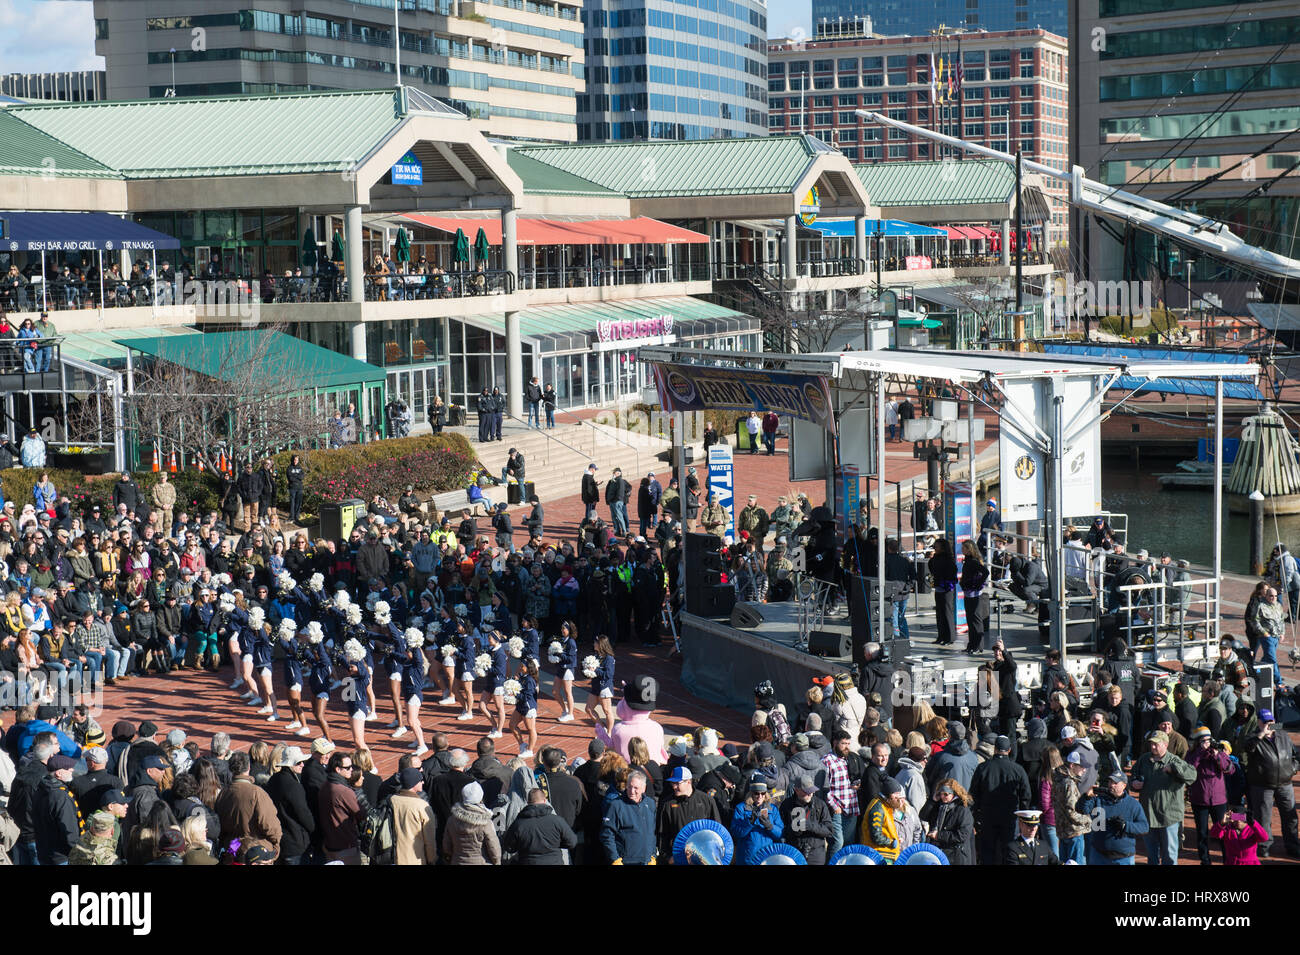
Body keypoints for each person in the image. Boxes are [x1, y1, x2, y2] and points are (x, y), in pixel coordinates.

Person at [1241, 707, 1300, 859]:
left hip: (1285, 784)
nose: (1269, 724)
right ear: (1259, 722)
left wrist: (1292, 769)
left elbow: (1295, 755)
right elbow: (1248, 748)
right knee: (1263, 818)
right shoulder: (1252, 737)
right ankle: (1263, 846)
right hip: (1262, 785)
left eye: (1271, 721)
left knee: (1290, 816)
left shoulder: (1283, 735)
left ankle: (1292, 846)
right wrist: (1261, 735)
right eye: (1266, 722)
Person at [1131, 729, 1196, 865]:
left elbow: (1192, 775)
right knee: (1151, 854)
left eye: (1156, 744)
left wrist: (1174, 769)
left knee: (1169, 855)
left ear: (1165, 745)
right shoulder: (1144, 759)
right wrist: (1134, 783)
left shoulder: (1174, 760)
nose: (1153, 747)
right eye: (1151, 744)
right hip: (1149, 814)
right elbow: (1133, 776)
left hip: (1169, 816)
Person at [969, 735, 1031, 864]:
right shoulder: (1018, 769)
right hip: (1010, 817)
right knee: (1009, 851)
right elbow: (1026, 796)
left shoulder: (983, 768)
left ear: (995, 749)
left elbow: (973, 795)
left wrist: (975, 816)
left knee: (988, 852)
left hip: (987, 816)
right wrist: (1022, 817)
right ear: (1009, 750)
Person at [1077, 770, 1149, 865]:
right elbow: (1081, 809)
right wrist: (1087, 797)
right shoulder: (1099, 799)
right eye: (1110, 781)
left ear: (1124, 785)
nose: (1111, 785)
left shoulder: (1133, 804)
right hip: (1099, 855)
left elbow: (1144, 827)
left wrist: (1125, 826)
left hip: (1123, 857)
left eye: (1115, 783)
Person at [656, 765, 723, 863]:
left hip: (703, 857)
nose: (674, 787)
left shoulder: (706, 800)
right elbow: (662, 834)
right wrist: (667, 857)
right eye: (672, 783)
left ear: (688, 782)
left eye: (677, 783)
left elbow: (716, 829)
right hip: (679, 857)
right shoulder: (667, 804)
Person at [503, 788, 577, 865]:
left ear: (528, 803)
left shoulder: (518, 824)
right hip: (554, 862)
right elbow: (572, 842)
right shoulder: (557, 821)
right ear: (545, 801)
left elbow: (509, 847)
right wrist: (556, 844)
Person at [600, 770, 656, 865]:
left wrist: (653, 855)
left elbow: (652, 832)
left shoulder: (650, 804)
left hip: (646, 860)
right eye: (629, 786)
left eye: (636, 788)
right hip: (626, 861)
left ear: (644, 788)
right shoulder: (616, 805)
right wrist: (615, 859)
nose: (632, 791)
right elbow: (607, 834)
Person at [778, 774, 833, 865]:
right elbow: (781, 830)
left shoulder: (820, 805)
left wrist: (810, 825)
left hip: (815, 853)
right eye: (806, 791)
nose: (810, 794)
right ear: (796, 790)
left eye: (812, 790)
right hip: (794, 852)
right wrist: (793, 829)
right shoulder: (787, 805)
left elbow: (829, 830)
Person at [388, 767, 438, 865]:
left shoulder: (391, 800)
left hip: (392, 856)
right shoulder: (422, 806)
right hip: (414, 858)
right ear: (413, 783)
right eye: (420, 780)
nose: (423, 782)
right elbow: (429, 839)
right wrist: (432, 859)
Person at [444, 780, 501, 864]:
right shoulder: (485, 823)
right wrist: (497, 862)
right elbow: (493, 847)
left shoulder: (452, 819)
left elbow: (446, 845)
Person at [920, 779, 976, 865]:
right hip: (938, 853)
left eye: (946, 794)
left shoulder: (962, 810)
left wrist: (938, 835)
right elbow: (923, 816)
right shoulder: (938, 806)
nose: (942, 797)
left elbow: (962, 835)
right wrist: (932, 801)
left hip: (955, 855)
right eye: (940, 794)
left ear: (954, 793)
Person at [960, 539, 990, 654]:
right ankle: (971, 645)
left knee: (976, 621)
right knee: (970, 620)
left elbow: (985, 572)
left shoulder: (973, 561)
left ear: (969, 550)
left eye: (964, 548)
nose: (962, 550)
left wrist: (977, 584)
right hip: (968, 593)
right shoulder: (967, 561)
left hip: (974, 595)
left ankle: (978, 646)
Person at [929, 538, 959, 646]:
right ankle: (940, 636)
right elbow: (931, 568)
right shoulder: (936, 558)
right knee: (939, 613)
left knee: (947, 613)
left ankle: (949, 637)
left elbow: (952, 573)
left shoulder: (948, 559)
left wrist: (947, 583)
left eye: (937, 547)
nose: (935, 549)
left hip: (946, 589)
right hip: (938, 588)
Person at [605, 467, 630, 537]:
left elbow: (620, 491)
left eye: (615, 472)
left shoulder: (620, 480)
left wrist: (617, 499)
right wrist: (608, 500)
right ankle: (617, 530)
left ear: (619, 473)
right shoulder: (612, 481)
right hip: (612, 501)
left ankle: (624, 531)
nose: (613, 474)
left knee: (619, 517)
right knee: (614, 517)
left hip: (616, 501)